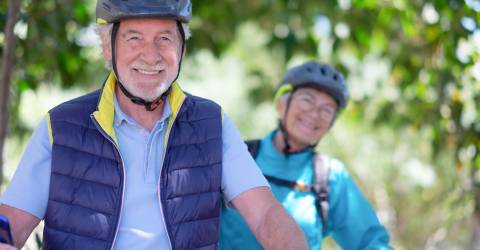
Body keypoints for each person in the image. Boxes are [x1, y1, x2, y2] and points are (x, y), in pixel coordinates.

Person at [0, 1, 308, 249]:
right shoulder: (62, 125)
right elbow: (10, 226)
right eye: (134, 38)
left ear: (182, 48)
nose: (151, 55)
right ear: (108, 48)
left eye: (164, 39)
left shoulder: (211, 123)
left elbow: (266, 214)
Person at [220, 61, 393, 249]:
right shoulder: (238, 157)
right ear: (281, 105)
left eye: (326, 110)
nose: (314, 113)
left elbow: (369, 242)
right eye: (307, 100)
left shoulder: (330, 177)